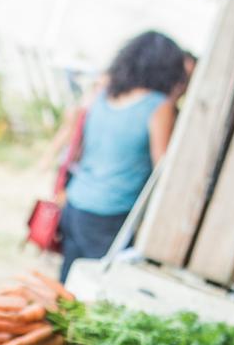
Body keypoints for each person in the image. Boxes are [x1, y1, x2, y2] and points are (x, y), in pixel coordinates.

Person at [57, 30, 189, 281]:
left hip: (77, 201)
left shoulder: (103, 95)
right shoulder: (158, 106)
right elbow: (163, 168)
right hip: (111, 212)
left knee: (68, 284)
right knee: (99, 289)